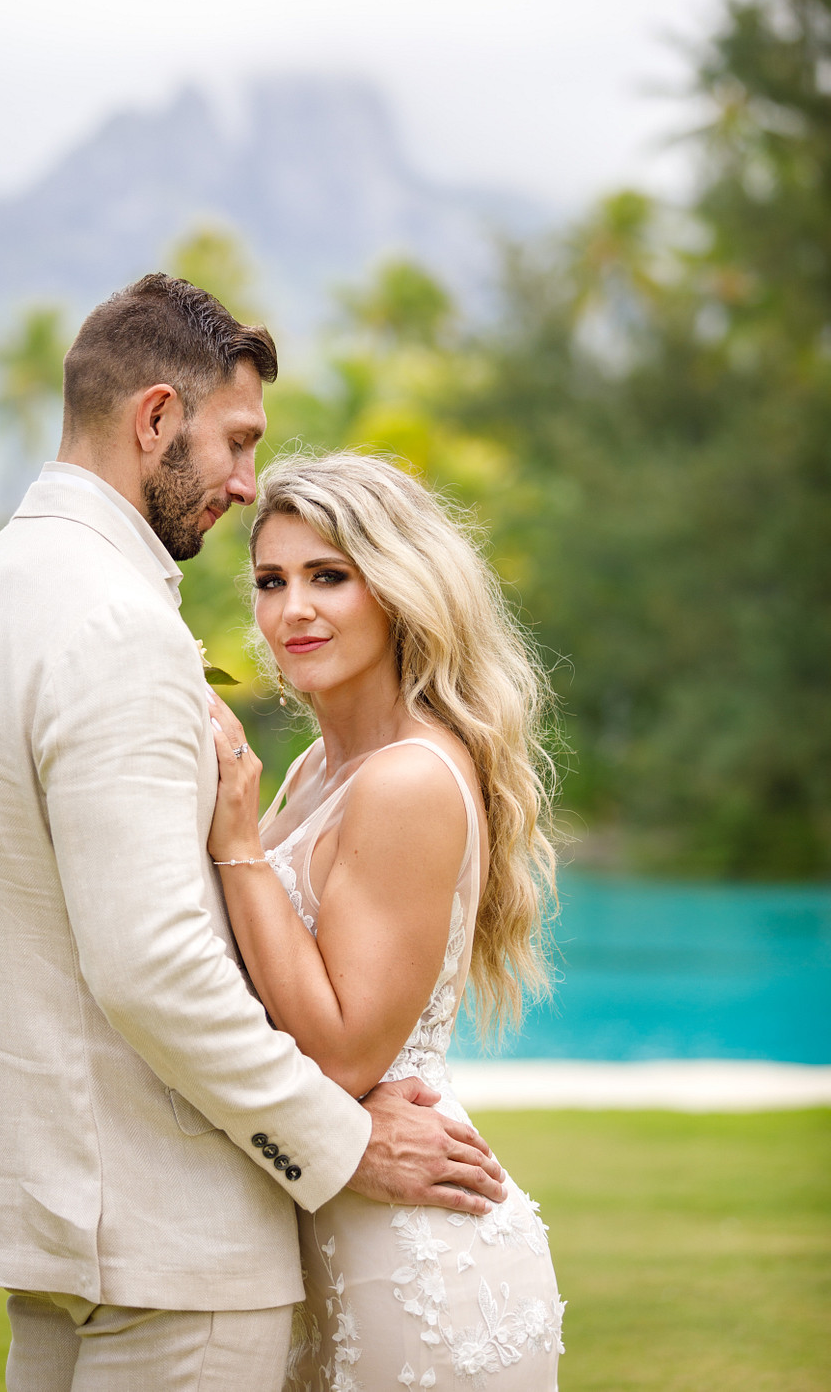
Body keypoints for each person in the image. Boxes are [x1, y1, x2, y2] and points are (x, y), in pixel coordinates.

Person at [0, 275, 506, 1392]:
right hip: (172, 1239)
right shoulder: (120, 626)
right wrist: (342, 1142)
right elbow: (152, 962)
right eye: (234, 441)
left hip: (45, 1227)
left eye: (327, 576)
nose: (242, 481)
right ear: (156, 419)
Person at [205, 451, 565, 1390]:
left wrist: (235, 841)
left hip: (415, 1267)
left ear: (399, 591)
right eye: (271, 582)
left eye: (330, 576)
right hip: (326, 1227)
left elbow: (344, 1058)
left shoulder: (406, 779)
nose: (293, 611)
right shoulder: (314, 773)